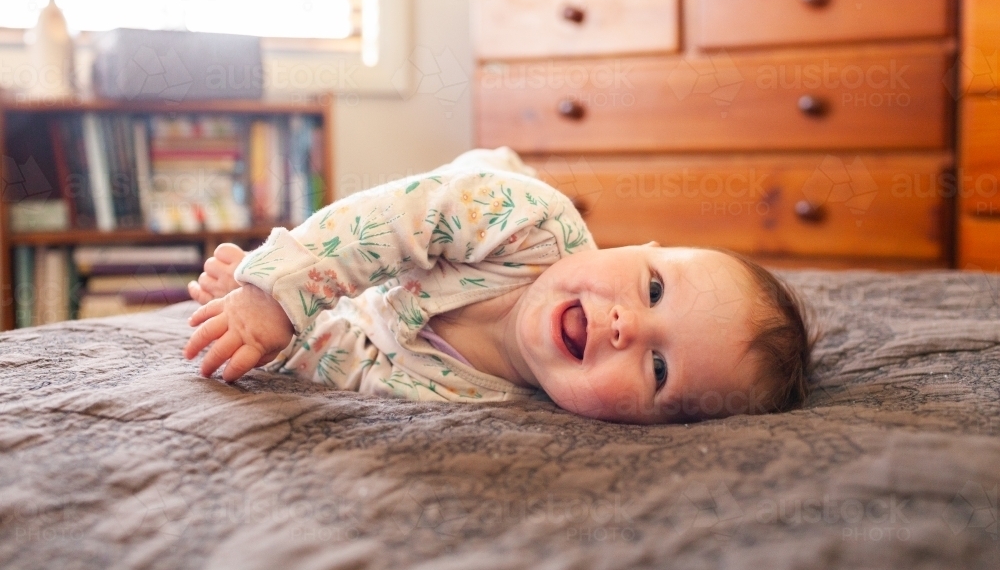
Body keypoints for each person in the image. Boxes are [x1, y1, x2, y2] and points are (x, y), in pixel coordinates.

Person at [183, 147, 812, 424]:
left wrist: (281, 344)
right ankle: (502, 162)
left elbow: (353, 364)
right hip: (473, 207)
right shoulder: (533, 224)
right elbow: (394, 220)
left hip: (391, 305)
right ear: (641, 247)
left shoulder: (480, 400)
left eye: (657, 370)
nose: (628, 326)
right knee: (474, 182)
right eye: (653, 290)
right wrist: (276, 293)